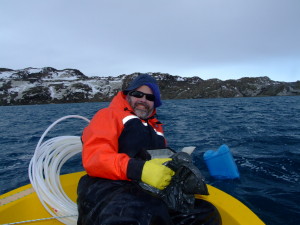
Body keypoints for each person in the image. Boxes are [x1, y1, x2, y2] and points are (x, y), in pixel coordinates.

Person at [77, 74, 221, 225]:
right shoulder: (108, 115)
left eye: (149, 98)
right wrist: (139, 169)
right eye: (138, 94)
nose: (143, 100)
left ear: (154, 103)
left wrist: (176, 169)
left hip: (147, 190)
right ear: (128, 96)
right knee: (141, 210)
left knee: (206, 213)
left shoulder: (156, 128)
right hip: (107, 187)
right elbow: (95, 157)